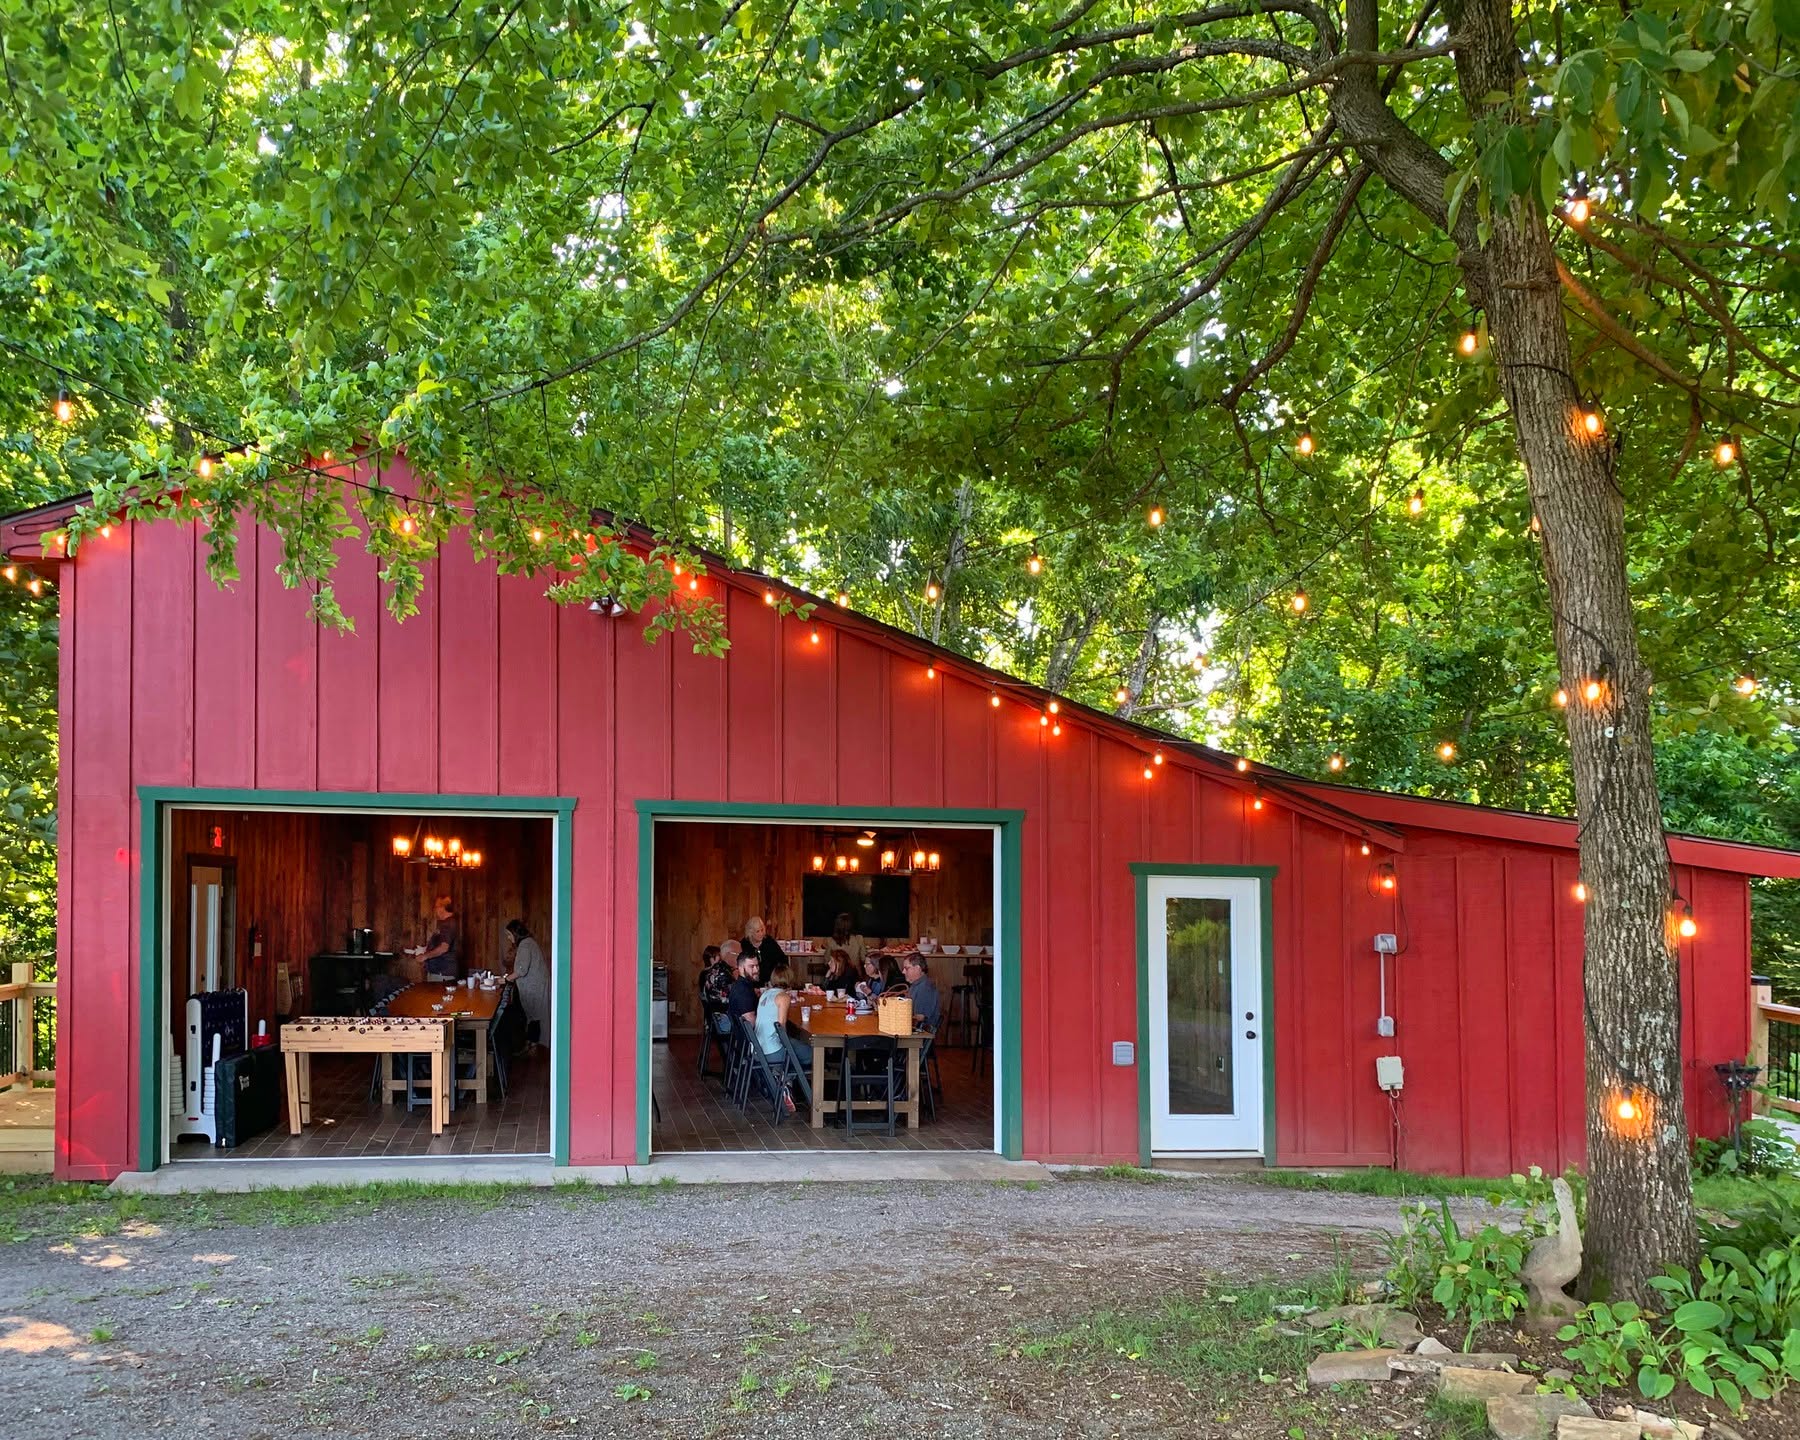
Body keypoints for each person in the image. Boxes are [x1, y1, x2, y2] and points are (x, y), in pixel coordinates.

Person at [753, 963, 811, 1112]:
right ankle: (789, 1083)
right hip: (772, 1052)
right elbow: (781, 1027)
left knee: (795, 1045)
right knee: (811, 1053)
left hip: (757, 1049)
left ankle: (784, 1080)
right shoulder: (783, 997)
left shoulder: (765, 994)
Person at [503, 919, 550, 1053]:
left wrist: (504, 980)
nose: (508, 938)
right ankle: (532, 1045)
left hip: (535, 987)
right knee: (535, 1016)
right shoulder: (528, 943)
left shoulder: (525, 945)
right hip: (537, 985)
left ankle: (533, 1047)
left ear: (515, 933)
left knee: (534, 1017)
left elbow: (521, 970)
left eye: (509, 934)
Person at [406, 895, 462, 981]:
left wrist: (425, 956)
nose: (435, 910)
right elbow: (441, 944)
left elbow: (444, 948)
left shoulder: (448, 924)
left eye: (436, 907)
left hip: (443, 973)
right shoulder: (447, 923)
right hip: (440, 972)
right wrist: (425, 949)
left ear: (442, 908)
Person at [899, 953, 940, 1032]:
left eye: (906, 968)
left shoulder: (926, 988)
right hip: (911, 1030)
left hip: (920, 1034)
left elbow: (920, 1017)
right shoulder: (915, 985)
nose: (903, 972)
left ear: (918, 968)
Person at [725, 946, 761, 1028]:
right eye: (751, 966)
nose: (756, 970)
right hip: (747, 1035)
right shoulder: (743, 990)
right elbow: (750, 1023)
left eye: (757, 965)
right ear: (740, 968)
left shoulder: (742, 985)